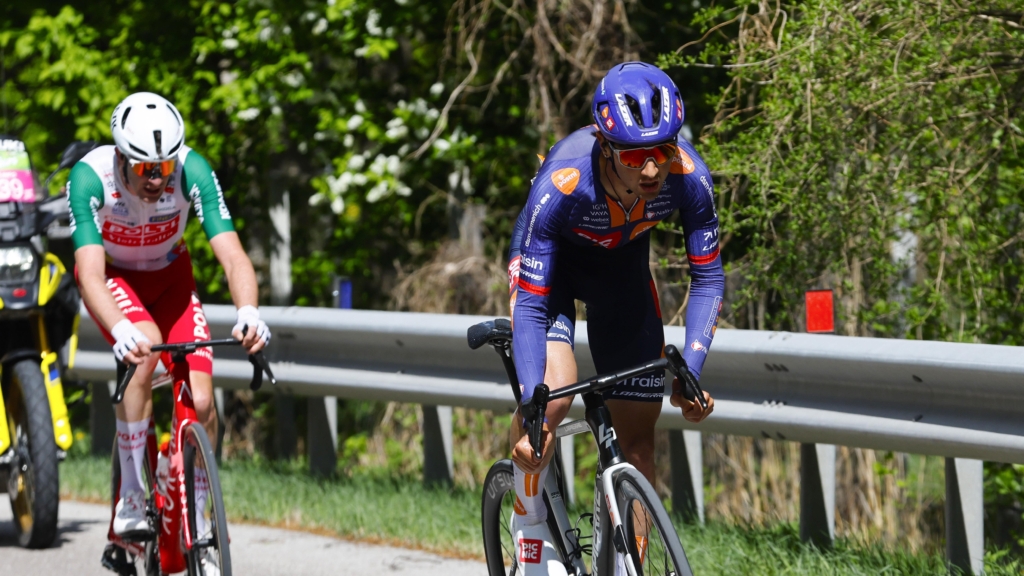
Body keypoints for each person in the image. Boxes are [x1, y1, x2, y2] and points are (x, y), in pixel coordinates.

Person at [506, 62, 723, 575]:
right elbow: (533, 305)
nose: (651, 170)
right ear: (605, 146)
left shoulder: (689, 179)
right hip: (551, 277)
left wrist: (691, 369)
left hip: (621, 277)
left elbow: (709, 278)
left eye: (663, 151)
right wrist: (533, 402)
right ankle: (527, 518)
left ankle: (629, 566)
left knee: (639, 443)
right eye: (635, 155)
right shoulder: (563, 183)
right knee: (553, 398)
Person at [68, 92, 270, 543]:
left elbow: (233, 256)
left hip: (171, 278)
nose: (156, 179)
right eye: (143, 168)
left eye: (163, 166)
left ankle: (200, 506)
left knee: (201, 402)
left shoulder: (191, 170)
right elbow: (91, 275)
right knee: (143, 347)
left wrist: (250, 312)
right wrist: (119, 329)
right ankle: (132, 498)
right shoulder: (90, 177)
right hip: (114, 279)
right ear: (121, 157)